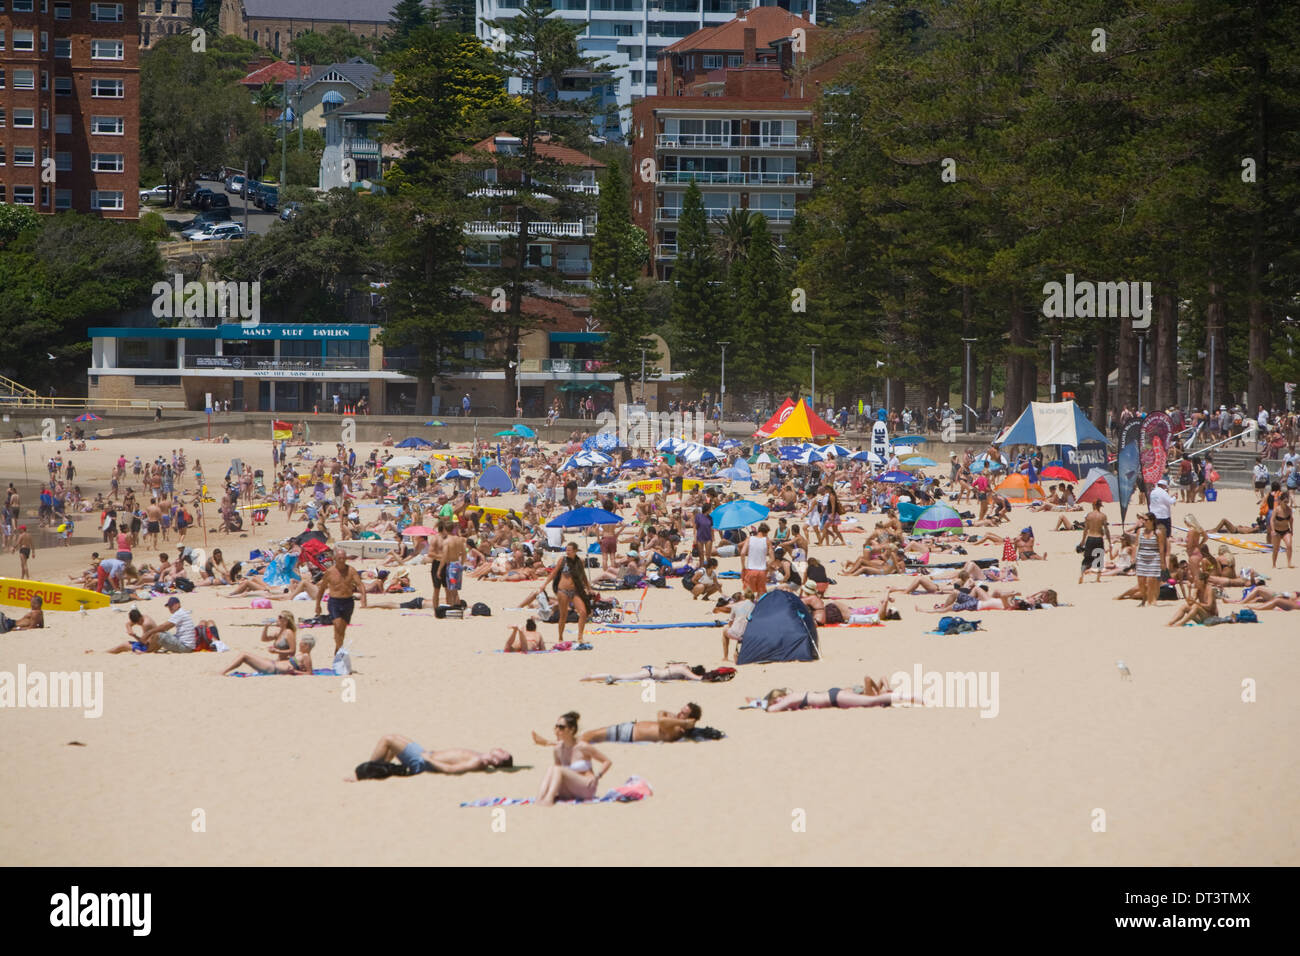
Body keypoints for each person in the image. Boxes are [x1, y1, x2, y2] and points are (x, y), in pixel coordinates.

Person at [534, 712, 611, 805]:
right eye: (556, 727)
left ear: (571, 730)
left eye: (561, 727)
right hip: (568, 791)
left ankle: (548, 800)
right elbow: (555, 774)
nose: (557, 730)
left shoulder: (583, 747)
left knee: (558, 769)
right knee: (552, 768)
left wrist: (598, 776)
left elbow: (607, 761)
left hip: (586, 787)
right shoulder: (558, 749)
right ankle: (539, 798)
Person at [350, 735, 513, 778]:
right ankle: (376, 770)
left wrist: (429, 759)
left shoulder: (479, 761)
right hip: (425, 754)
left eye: (503, 752)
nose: (501, 749)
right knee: (393, 747)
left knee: (388, 739)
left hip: (422, 762)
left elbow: (451, 769)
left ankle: (366, 772)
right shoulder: (480, 756)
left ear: (498, 761)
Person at [534, 705, 702, 743]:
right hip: (628, 727)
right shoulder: (677, 721)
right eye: (681, 710)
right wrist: (682, 719)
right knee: (590, 735)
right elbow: (661, 714)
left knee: (589, 736)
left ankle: (552, 743)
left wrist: (684, 723)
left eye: (684, 713)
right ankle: (559, 741)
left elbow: (662, 720)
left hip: (628, 734)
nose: (679, 714)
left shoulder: (678, 728)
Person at [315, 549, 367, 654]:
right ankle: (340, 649)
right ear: (335, 559)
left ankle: (338, 647)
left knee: (342, 629)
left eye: (344, 558)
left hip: (348, 602)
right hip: (334, 602)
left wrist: (363, 598)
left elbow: (360, 584)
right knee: (338, 625)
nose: (342, 560)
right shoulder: (329, 572)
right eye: (339, 558)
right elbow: (322, 589)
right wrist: (318, 605)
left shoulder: (351, 570)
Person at [547, 541, 592, 645]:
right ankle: (560, 637)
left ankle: (580, 637)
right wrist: (543, 585)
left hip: (575, 591)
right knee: (563, 615)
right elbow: (554, 573)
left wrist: (589, 588)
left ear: (575, 551)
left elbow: (583, 576)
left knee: (583, 612)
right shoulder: (563, 560)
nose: (567, 552)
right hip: (562, 591)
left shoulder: (579, 562)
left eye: (569, 550)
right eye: (566, 550)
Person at [221, 636, 315, 675]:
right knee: (246, 655)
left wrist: (295, 672)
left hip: (274, 668)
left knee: (244, 655)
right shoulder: (303, 655)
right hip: (274, 664)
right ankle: (223, 671)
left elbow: (309, 674)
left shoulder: (306, 656)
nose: (299, 644)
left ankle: (222, 672)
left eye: (301, 643)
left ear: (306, 645)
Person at [1134, 512, 1167, 607]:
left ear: (1152, 521)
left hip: (1154, 558)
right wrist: (1133, 557)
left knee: (1151, 581)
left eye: (1146, 519)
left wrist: (1162, 562)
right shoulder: (1140, 531)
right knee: (1140, 581)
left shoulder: (1158, 533)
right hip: (1142, 557)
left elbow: (1161, 549)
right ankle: (1144, 597)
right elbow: (1136, 544)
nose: (1143, 521)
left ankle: (1151, 599)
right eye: (1143, 519)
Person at [1078, 500, 1111, 584]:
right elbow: (1106, 530)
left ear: (1093, 505)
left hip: (1090, 538)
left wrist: (1082, 541)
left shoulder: (1089, 516)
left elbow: (1085, 530)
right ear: (1100, 506)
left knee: (1087, 558)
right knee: (1099, 558)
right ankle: (1098, 578)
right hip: (1099, 538)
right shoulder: (1103, 516)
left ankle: (1081, 575)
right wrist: (1110, 542)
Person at [581, 664, 706, 683]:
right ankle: (591, 677)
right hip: (651, 674)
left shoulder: (682, 665)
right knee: (620, 677)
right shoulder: (685, 670)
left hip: (651, 670)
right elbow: (697, 678)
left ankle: (592, 676)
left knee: (623, 676)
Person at [739, 522, 770, 595]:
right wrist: (766, 566)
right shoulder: (767, 541)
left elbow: (742, 553)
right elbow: (772, 558)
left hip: (751, 570)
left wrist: (743, 566)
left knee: (749, 595)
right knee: (761, 595)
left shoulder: (749, 539)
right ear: (766, 533)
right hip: (762, 571)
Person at [1269, 488, 1293, 568]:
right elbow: (1271, 520)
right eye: (1285, 501)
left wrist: (1292, 529)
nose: (1286, 503)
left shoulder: (1289, 510)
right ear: (1280, 501)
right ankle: (1274, 564)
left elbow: (1291, 520)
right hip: (1277, 531)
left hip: (1286, 531)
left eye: (1287, 502)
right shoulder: (1277, 510)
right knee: (1276, 549)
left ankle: (1289, 563)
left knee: (1289, 545)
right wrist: (1272, 530)